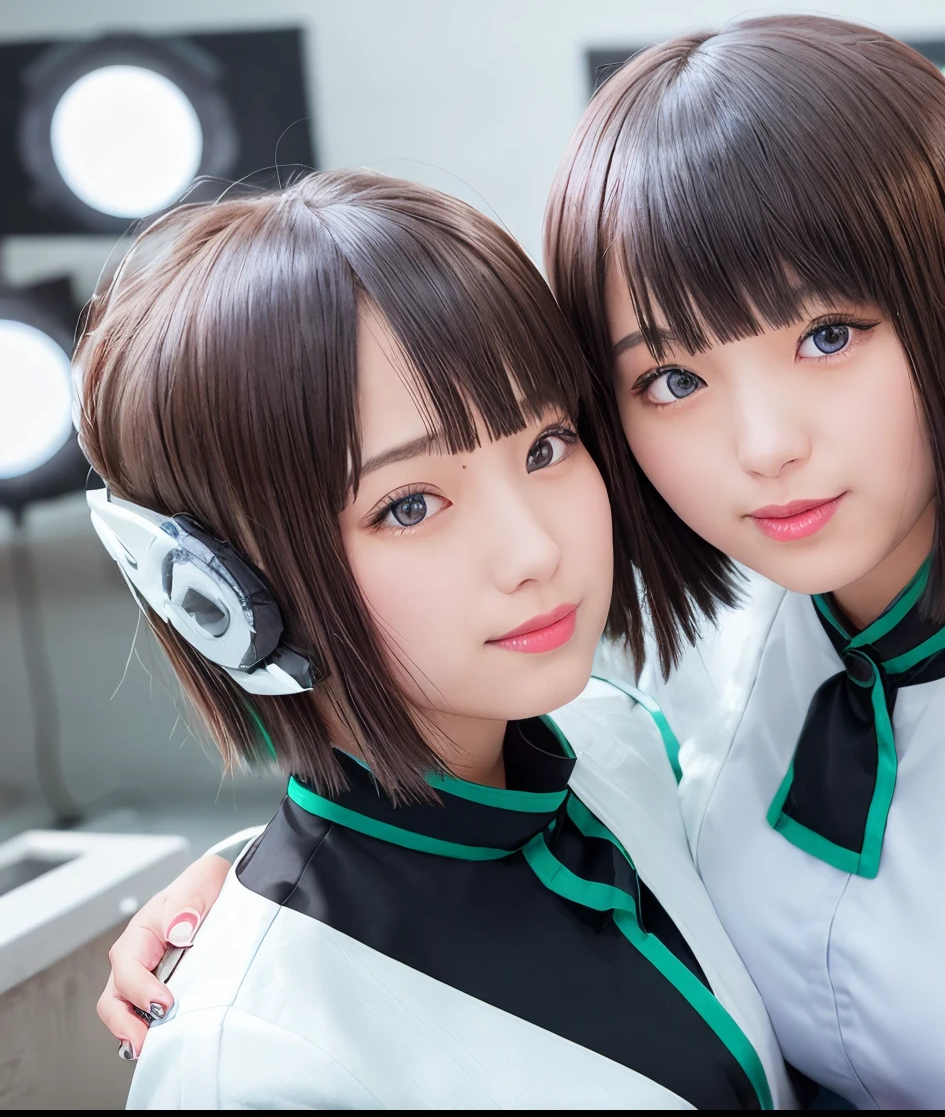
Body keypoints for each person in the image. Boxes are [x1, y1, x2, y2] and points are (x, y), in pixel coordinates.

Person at [100, 18, 945, 1110]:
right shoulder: (671, 672)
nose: (763, 448)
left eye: (825, 338)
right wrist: (286, 886)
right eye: (675, 375)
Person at [85, 171, 785, 1109]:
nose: (537, 549)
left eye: (545, 446)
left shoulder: (619, 744)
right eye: (408, 505)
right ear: (223, 592)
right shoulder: (250, 1061)